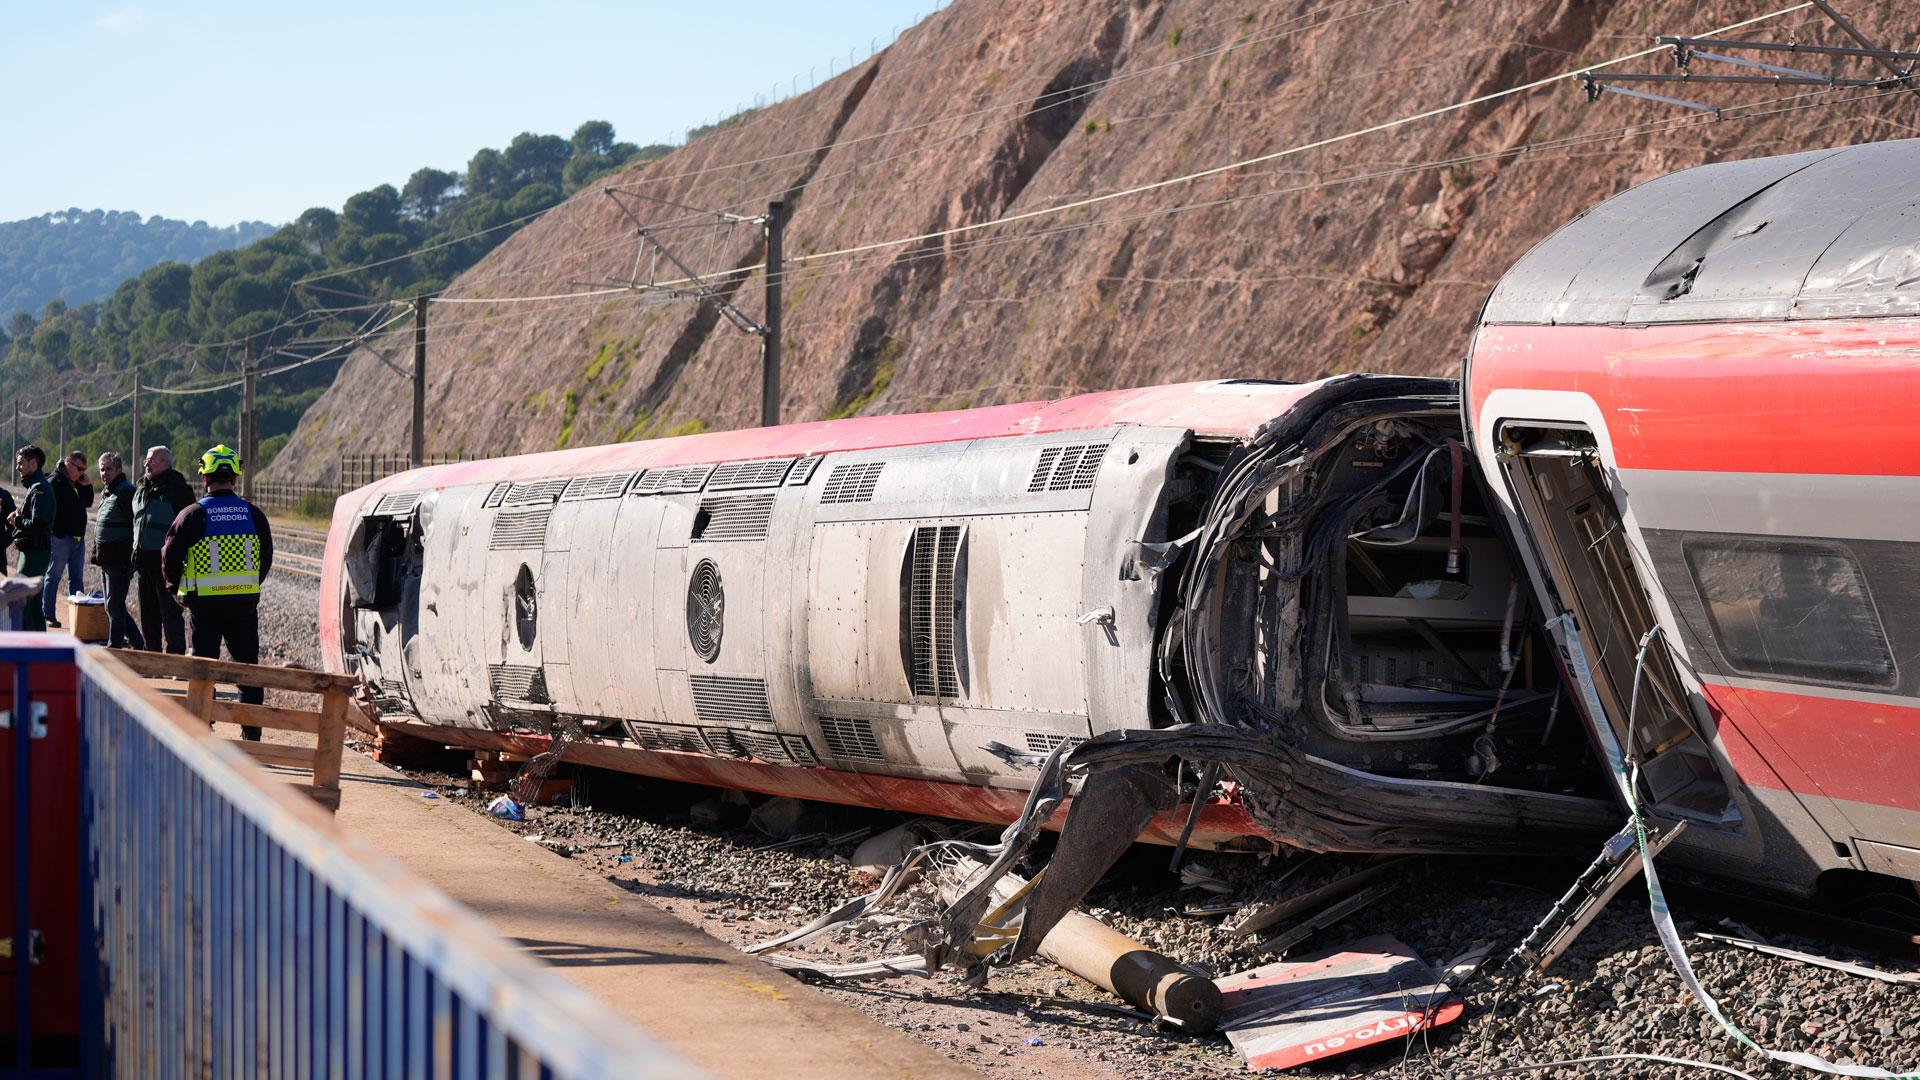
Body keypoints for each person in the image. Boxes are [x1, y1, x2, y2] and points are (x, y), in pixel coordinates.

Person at [163, 445, 272, 740]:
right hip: (243, 605)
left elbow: (170, 557)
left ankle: (201, 728)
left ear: (205, 478)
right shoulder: (254, 515)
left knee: (203, 668)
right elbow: (265, 559)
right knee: (248, 669)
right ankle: (252, 733)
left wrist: (175, 588)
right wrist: (248, 586)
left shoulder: (192, 515)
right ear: (234, 478)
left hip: (205, 606)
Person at [132, 445, 194, 653]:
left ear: (165, 463)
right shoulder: (142, 487)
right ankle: (152, 657)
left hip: (167, 566)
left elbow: (188, 527)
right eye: (146, 460)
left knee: (170, 614)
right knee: (148, 615)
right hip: (143, 563)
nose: (146, 464)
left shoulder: (179, 489)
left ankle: (175, 658)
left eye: (151, 460)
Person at [90, 451, 145, 649]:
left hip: (119, 559)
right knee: (112, 605)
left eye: (109, 469)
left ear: (119, 469)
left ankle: (115, 647)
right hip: (107, 558)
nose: (104, 473)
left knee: (114, 605)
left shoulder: (126, 492)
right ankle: (138, 642)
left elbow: (136, 525)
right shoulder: (109, 491)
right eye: (102, 469)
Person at [43, 449, 95, 627]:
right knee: (53, 576)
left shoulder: (78, 482)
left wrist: (87, 485)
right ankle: (48, 614)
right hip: (60, 538)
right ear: (68, 464)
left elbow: (88, 502)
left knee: (77, 579)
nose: (82, 473)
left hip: (78, 539)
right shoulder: (54, 481)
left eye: (83, 470)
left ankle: (77, 619)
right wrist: (58, 531)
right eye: (79, 469)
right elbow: (49, 510)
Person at [8, 446, 54, 631]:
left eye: (21, 463)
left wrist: (17, 520)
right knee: (33, 605)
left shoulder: (39, 488)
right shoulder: (36, 486)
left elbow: (38, 524)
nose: (17, 467)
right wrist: (19, 517)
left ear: (33, 463)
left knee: (22, 602)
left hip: (34, 553)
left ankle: (29, 644)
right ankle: (39, 645)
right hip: (32, 551)